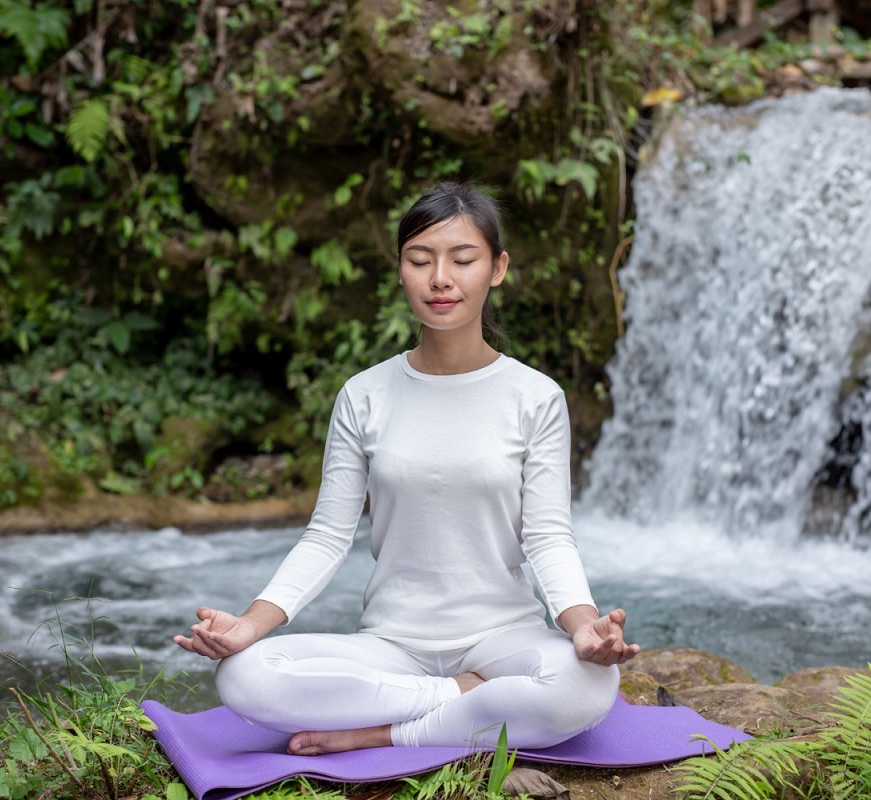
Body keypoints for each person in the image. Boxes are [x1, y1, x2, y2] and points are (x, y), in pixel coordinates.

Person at [174, 182, 639, 756]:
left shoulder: (534, 396)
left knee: (589, 682)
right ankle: (465, 699)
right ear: (401, 271)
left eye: (462, 260)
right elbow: (327, 535)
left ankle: (387, 732)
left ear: (497, 269)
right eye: (421, 261)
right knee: (245, 675)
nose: (440, 278)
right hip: (391, 642)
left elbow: (547, 535)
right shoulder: (364, 395)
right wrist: (249, 625)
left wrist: (582, 626)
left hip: (505, 638)